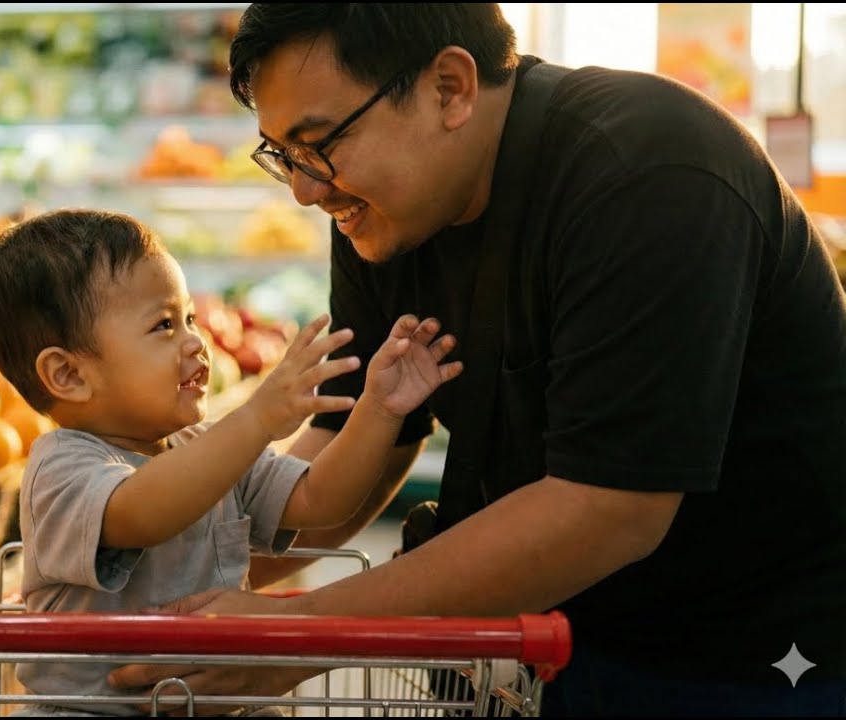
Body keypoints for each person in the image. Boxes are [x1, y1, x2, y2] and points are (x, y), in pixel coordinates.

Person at [105, 4, 846, 717]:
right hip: (548, 637)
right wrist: (172, 579)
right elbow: (347, 441)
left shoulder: (650, 171)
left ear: (449, 87)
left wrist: (301, 633)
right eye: (284, 156)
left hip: (766, 655)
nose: (303, 189)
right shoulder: (385, 210)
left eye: (320, 143)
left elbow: (609, 508)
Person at [0, 208, 464, 717]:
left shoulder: (205, 448)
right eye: (163, 325)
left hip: (211, 702)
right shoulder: (60, 469)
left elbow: (322, 499)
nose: (195, 341)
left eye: (189, 317)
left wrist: (379, 410)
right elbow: (142, 512)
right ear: (68, 374)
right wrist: (255, 420)